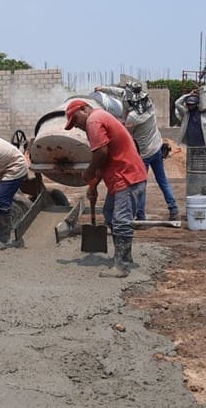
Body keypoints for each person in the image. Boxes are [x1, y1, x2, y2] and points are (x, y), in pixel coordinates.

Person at [64, 99, 148, 278]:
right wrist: (94, 184)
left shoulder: (94, 121)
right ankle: (125, 256)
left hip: (127, 177)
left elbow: (101, 154)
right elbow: (107, 158)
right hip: (124, 176)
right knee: (110, 213)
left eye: (75, 120)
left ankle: (121, 266)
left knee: (120, 220)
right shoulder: (101, 118)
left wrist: (88, 172)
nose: (77, 125)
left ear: (84, 109)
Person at [94, 84, 180, 220]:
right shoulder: (148, 104)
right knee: (162, 181)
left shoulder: (134, 117)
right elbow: (119, 91)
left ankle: (140, 216)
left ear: (131, 101)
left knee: (141, 184)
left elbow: (125, 133)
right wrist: (102, 88)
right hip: (157, 147)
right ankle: (173, 209)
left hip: (144, 153)